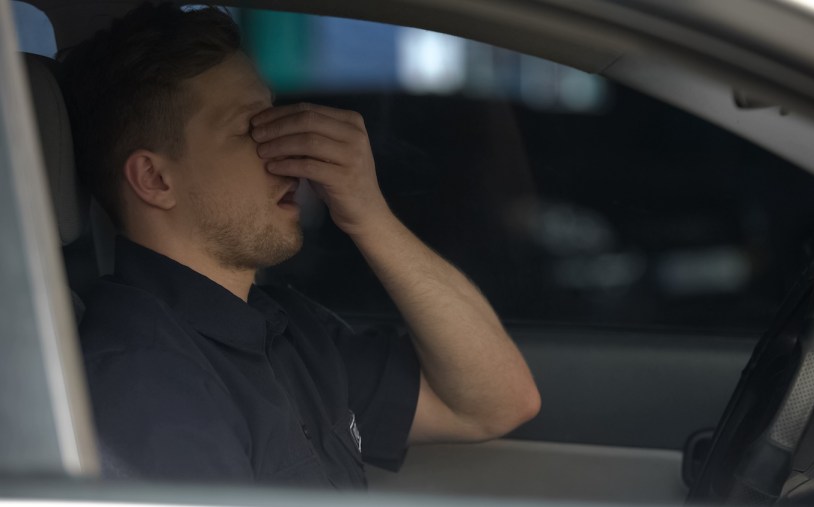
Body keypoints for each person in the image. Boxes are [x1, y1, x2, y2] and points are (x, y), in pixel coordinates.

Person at [60, 3, 540, 487]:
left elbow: (495, 404)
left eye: (277, 122)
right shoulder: (148, 382)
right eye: (252, 129)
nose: (290, 158)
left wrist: (368, 215)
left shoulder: (286, 328)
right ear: (155, 179)